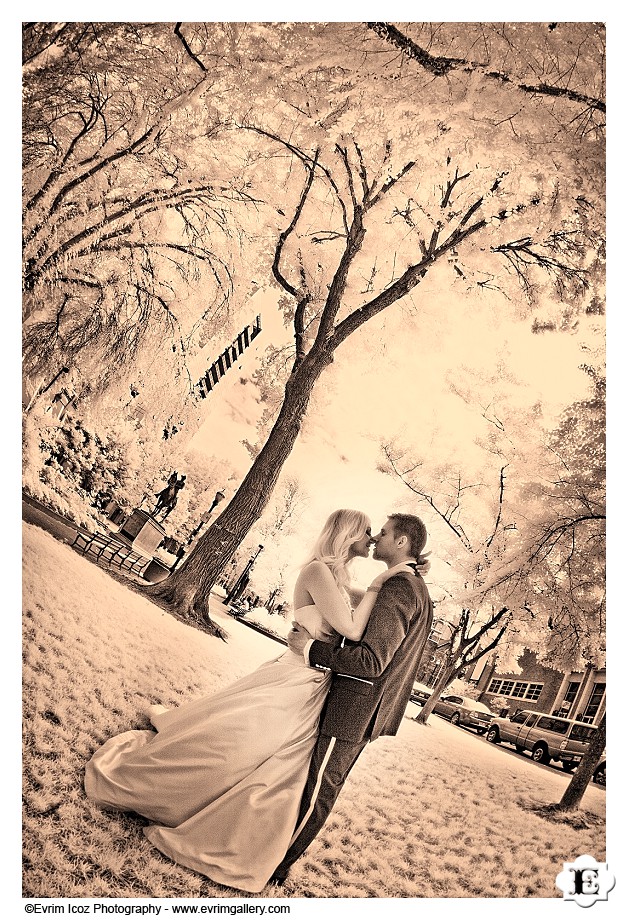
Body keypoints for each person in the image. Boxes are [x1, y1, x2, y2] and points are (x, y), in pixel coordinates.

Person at [84, 509, 417, 893]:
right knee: (237, 743)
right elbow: (353, 629)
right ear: (347, 534)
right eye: (367, 532)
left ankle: (234, 825)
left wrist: (388, 582)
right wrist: (383, 582)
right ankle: (162, 790)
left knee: (272, 764)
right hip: (296, 677)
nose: (373, 539)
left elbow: (360, 618)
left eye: (378, 534)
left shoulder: (339, 577)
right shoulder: (317, 572)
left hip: (313, 683)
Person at [271, 512, 433, 885]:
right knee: (319, 784)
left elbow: (372, 661)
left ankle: (276, 865)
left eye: (385, 532)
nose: (376, 537)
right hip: (366, 711)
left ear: (401, 542)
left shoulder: (400, 587)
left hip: (354, 710)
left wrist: (311, 648)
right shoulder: (409, 585)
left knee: (318, 791)